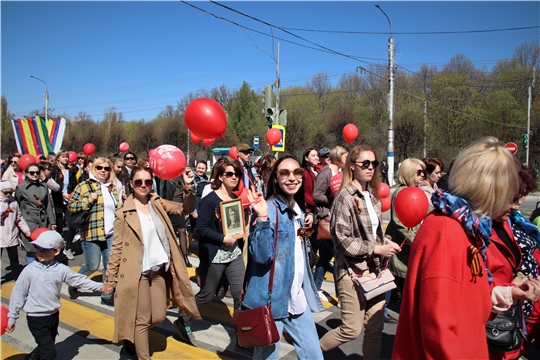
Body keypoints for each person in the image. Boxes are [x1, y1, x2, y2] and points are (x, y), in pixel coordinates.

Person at [393, 137, 540, 359]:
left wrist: (506, 293)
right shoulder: (447, 231)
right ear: (492, 189)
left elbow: (464, 298)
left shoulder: (466, 228)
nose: (513, 202)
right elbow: (439, 331)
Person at [102, 166, 200, 360]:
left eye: (147, 182)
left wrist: (188, 187)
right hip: (138, 274)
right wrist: (110, 280)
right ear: (131, 184)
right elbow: (117, 250)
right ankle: (142, 354)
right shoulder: (123, 213)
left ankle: (134, 335)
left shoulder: (158, 203)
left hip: (159, 272)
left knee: (158, 317)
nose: (143, 185)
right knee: (144, 319)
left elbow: (185, 209)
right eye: (138, 182)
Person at [319, 145, 400, 357]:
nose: (370, 168)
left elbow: (375, 234)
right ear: (352, 166)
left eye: (373, 163)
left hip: (375, 271)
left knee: (375, 329)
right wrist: (377, 248)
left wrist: (388, 243)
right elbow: (342, 241)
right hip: (352, 272)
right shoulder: (344, 197)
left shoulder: (371, 195)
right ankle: (313, 352)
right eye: (365, 163)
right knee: (351, 329)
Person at [243, 154, 324, 359]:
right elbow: (261, 256)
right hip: (273, 300)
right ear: (276, 179)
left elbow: (293, 244)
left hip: (296, 298)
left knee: (314, 355)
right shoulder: (268, 208)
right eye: (284, 173)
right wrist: (261, 218)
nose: (292, 177)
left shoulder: (296, 208)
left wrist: (308, 227)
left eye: (297, 172)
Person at [175, 160, 247, 343]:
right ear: (221, 177)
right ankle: (183, 320)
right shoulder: (210, 200)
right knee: (206, 295)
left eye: (237, 174)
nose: (234, 177)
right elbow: (200, 229)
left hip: (234, 254)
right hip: (216, 255)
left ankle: (242, 336)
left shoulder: (235, 200)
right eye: (229, 174)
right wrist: (222, 238)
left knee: (240, 294)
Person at [5, 230, 104, 360]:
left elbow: (79, 280)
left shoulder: (61, 269)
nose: (39, 253)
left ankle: (33, 357)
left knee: (47, 344)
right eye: (38, 249)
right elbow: (18, 294)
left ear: (56, 251)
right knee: (49, 353)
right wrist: (12, 318)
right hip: (36, 318)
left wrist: (101, 287)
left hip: (53, 316)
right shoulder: (29, 270)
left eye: (44, 250)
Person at [67, 157, 119, 306]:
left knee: (110, 266)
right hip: (92, 232)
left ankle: (107, 295)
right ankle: (74, 283)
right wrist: (88, 200)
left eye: (106, 168)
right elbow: (71, 206)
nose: (103, 171)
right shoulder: (84, 186)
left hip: (110, 233)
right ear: (93, 169)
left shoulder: (112, 187)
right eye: (99, 168)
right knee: (92, 265)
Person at [385, 158, 426, 306]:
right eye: (419, 172)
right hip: (401, 242)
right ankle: (382, 310)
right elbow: (399, 221)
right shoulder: (401, 191)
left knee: (400, 277)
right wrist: (415, 240)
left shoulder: (415, 190)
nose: (422, 175)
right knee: (392, 277)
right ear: (410, 172)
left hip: (409, 241)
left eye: (424, 172)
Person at [313, 145, 349, 302]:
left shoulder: (340, 173)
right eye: (345, 157)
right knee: (339, 257)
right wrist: (334, 199)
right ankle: (342, 296)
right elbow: (316, 195)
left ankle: (315, 288)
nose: (348, 160)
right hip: (326, 220)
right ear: (338, 157)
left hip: (335, 219)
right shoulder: (327, 172)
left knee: (325, 257)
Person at [16, 163, 56, 264]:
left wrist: (52, 221)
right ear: (26, 174)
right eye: (32, 173)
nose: (35, 175)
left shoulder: (44, 186)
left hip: (43, 222)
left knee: (44, 248)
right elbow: (17, 205)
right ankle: (32, 273)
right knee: (31, 250)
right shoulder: (21, 188)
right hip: (29, 222)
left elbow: (48, 205)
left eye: (37, 172)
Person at [0, 180, 31, 281]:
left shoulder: (13, 202)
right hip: (1, 236)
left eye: (10, 192)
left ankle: (17, 279)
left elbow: (19, 218)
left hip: (12, 236)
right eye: (6, 193)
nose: (8, 195)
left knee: (14, 260)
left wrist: (26, 230)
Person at [50, 150, 78, 238]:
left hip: (68, 199)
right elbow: (53, 185)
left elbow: (74, 184)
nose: (65, 158)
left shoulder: (70, 171)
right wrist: (62, 194)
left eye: (66, 157)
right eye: (63, 157)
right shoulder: (54, 170)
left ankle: (68, 242)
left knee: (71, 221)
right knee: (59, 221)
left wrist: (72, 193)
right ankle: (58, 239)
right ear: (58, 158)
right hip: (58, 198)